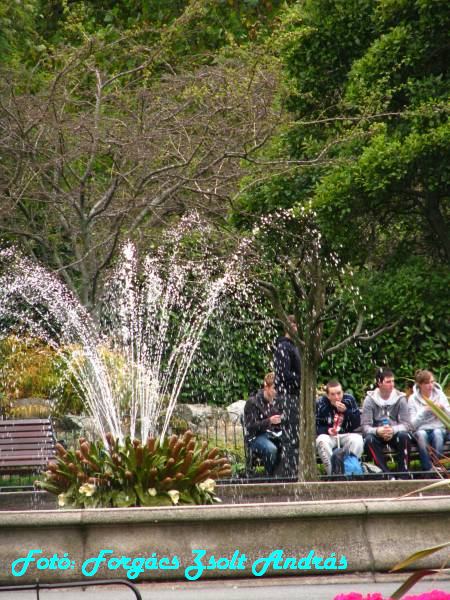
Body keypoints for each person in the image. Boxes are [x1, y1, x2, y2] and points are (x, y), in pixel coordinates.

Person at [361, 368, 411, 476]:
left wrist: (393, 430)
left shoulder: (400, 399)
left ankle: (404, 474)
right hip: (377, 435)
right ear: (379, 383)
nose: (392, 384)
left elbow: (407, 424)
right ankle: (385, 474)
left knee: (404, 436)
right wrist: (378, 431)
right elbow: (365, 427)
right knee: (369, 440)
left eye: (393, 381)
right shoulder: (369, 400)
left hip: (395, 433)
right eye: (388, 382)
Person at [316, 380, 363, 475]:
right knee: (321, 441)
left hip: (346, 434)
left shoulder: (349, 400)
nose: (337, 397)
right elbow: (316, 426)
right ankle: (334, 474)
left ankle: (351, 470)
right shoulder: (321, 403)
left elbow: (357, 423)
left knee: (357, 440)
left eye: (339, 393)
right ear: (328, 395)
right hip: (329, 435)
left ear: (343, 392)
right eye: (333, 394)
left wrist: (346, 411)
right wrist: (327, 430)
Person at [273, 315, 301, 477]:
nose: (296, 328)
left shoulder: (295, 347)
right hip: (289, 398)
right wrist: (303, 380)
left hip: (294, 397)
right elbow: (283, 376)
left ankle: (293, 471)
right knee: (291, 437)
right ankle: (288, 474)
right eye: (294, 325)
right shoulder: (284, 347)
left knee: (295, 437)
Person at [409, 369, 450, 471]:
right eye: (427, 383)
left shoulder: (440, 395)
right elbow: (412, 425)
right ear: (420, 385)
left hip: (438, 428)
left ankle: (437, 467)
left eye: (432, 382)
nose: (430, 385)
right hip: (420, 429)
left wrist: (443, 409)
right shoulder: (412, 399)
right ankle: (427, 469)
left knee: (437, 433)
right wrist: (424, 411)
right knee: (422, 435)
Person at [244, 372, 282, 476]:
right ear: (266, 387)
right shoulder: (253, 402)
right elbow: (250, 426)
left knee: (289, 445)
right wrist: (269, 421)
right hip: (256, 437)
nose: (277, 392)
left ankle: (282, 476)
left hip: (275, 435)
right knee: (271, 449)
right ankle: (271, 476)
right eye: (274, 388)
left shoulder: (278, 402)